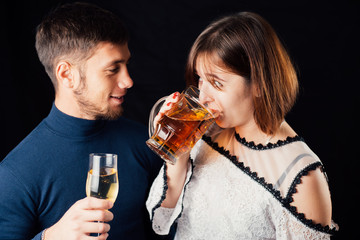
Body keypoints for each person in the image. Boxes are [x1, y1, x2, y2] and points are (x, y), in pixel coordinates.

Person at [146, 12, 338, 239]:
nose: (203, 96)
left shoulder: (301, 177)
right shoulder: (204, 131)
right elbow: (162, 220)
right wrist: (178, 153)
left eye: (217, 82)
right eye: (200, 79)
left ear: (259, 84)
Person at [0, 2, 163, 240]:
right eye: (112, 69)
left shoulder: (145, 143)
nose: (128, 81)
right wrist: (48, 238)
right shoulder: (15, 174)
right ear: (67, 75)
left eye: (126, 65)